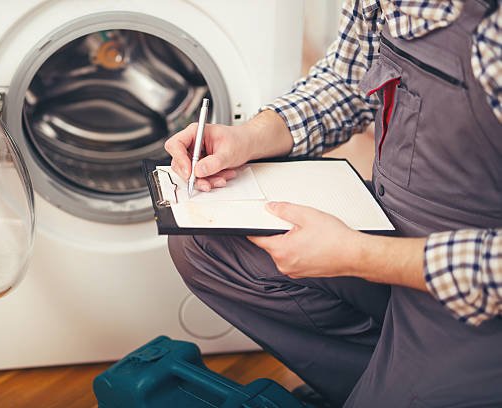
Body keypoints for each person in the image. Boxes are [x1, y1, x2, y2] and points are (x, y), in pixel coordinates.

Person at [164, 0, 502, 407]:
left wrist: (361, 255)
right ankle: (383, 376)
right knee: (205, 244)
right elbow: (348, 80)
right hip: (391, 223)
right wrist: (251, 137)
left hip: (476, 292)